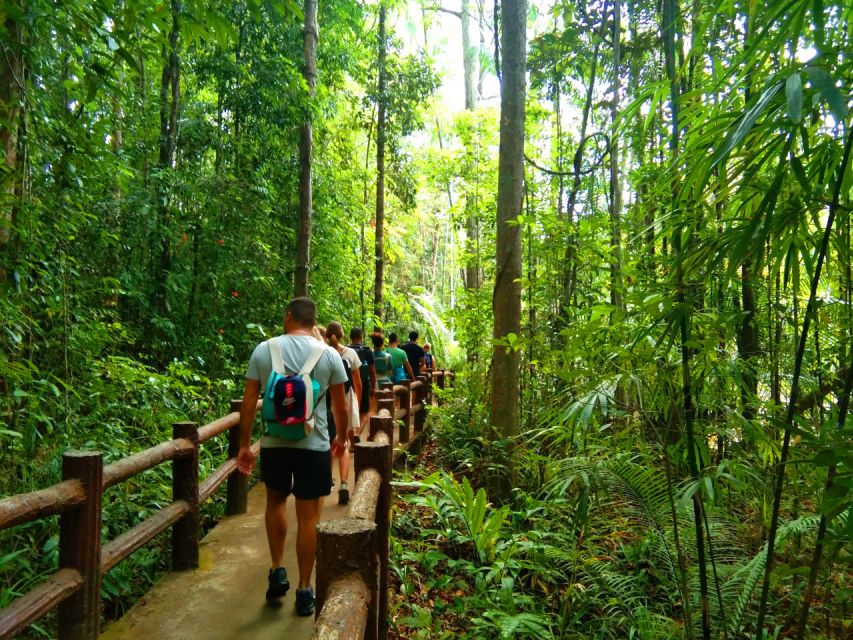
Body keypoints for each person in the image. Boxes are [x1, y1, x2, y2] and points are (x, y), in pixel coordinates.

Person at [236, 297, 348, 617]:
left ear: (288, 317)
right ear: (314, 323)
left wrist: (245, 445)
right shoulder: (329, 355)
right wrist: (341, 438)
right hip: (314, 446)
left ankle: (276, 569)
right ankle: (304, 589)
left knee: (274, 502)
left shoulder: (263, 350)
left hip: (274, 443)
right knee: (309, 518)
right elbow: (339, 406)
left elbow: (248, 403)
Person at [325, 321, 362, 505]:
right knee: (343, 442)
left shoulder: (321, 352)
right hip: (345, 398)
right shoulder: (349, 354)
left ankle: (328, 480)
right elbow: (358, 382)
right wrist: (357, 401)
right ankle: (345, 483)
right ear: (342, 335)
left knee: (328, 440)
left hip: (325, 403)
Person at [348, 327, 376, 439]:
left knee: (349, 412)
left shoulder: (344, 350)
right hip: (364, 383)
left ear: (350, 337)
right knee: (364, 412)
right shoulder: (367, 351)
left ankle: (351, 441)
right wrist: (373, 387)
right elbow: (372, 371)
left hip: (347, 384)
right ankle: (357, 433)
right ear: (361, 337)